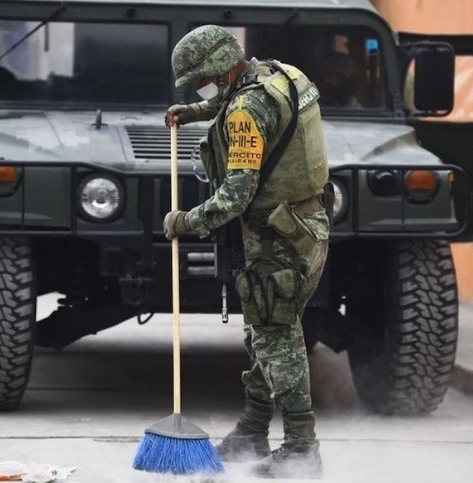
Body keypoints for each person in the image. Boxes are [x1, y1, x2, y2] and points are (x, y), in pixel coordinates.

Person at [163, 25, 330, 478]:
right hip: (305, 226)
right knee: (264, 330)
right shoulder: (280, 76)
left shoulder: (245, 112)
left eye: (200, 78)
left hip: (277, 241)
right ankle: (253, 431)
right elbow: (239, 102)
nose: (201, 86)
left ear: (218, 66)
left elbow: (235, 196)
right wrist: (193, 110)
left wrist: (184, 222)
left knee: (278, 336)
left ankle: (301, 448)